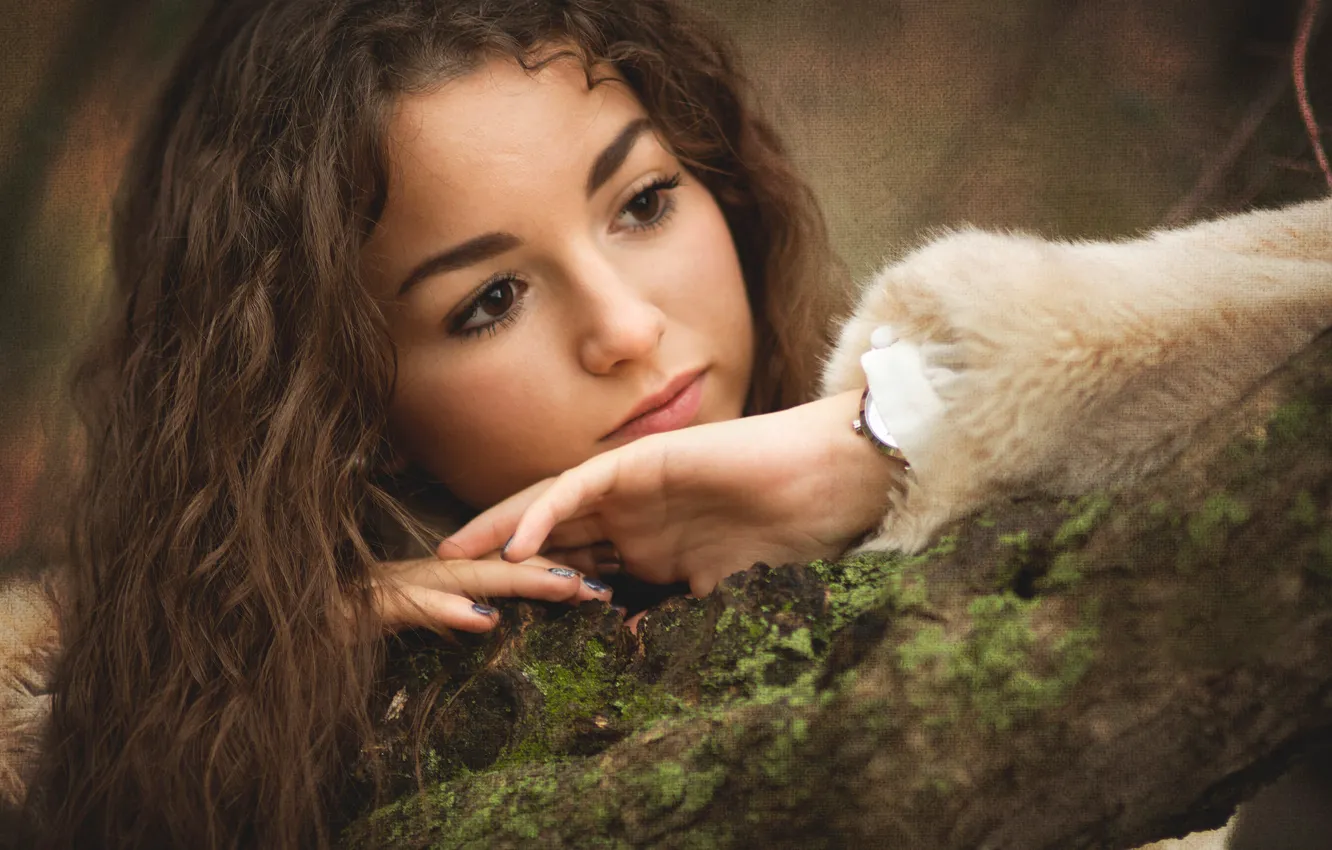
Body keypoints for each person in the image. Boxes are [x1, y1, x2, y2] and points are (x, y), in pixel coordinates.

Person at [4, 0, 1328, 848]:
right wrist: (257, 668)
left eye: (641, 202)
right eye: (491, 298)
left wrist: (878, 439)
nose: (627, 327)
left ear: (721, 186)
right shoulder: (219, 715)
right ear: (349, 408)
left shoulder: (996, 480)